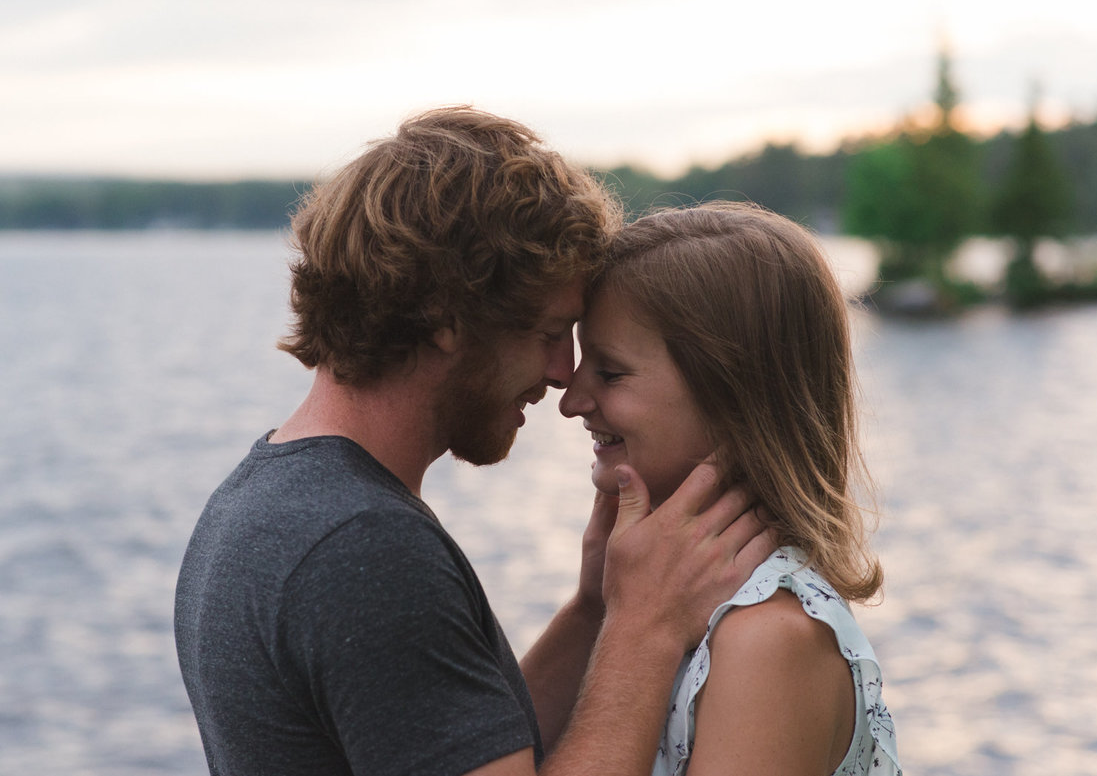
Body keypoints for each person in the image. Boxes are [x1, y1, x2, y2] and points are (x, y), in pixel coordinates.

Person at [174, 108, 775, 776]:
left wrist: (596, 609)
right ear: (443, 320)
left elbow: (461, 748)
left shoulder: (259, 502)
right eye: (550, 332)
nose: (560, 375)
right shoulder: (361, 549)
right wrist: (646, 628)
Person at [559, 202, 902, 776]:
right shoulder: (663, 608)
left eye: (610, 372)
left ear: (734, 401)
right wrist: (603, 607)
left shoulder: (768, 641)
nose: (570, 401)